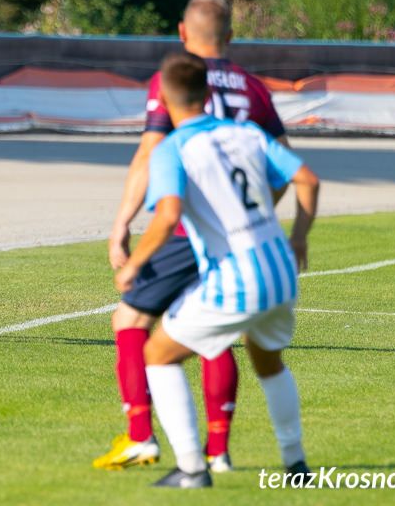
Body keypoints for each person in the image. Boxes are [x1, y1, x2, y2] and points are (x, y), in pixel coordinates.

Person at [94, 0, 290, 471]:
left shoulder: (173, 81)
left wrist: (121, 223)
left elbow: (149, 153)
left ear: (183, 33)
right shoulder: (253, 87)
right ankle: (218, 453)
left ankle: (141, 435)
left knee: (130, 321)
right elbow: (282, 159)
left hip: (183, 230)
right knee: (214, 335)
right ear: (231, 35)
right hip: (239, 237)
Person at [114, 51, 319, 488]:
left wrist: (134, 263)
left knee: (157, 354)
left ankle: (191, 468)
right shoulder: (246, 132)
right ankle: (296, 464)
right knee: (269, 363)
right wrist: (299, 236)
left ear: (165, 101)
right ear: (208, 95)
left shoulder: (172, 148)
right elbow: (307, 179)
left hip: (238, 276)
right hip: (281, 268)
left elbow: (168, 216)